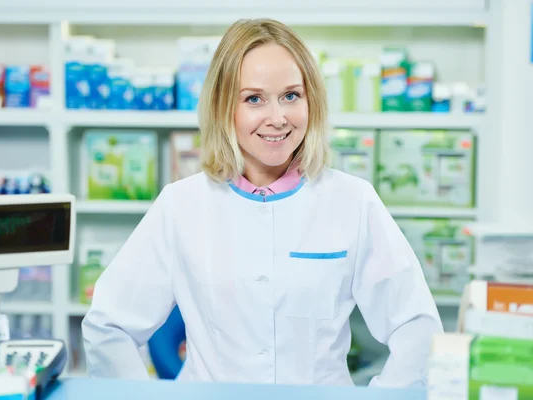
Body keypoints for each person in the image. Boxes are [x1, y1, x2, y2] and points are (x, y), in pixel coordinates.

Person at [82, 18, 443, 387]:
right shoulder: (181, 205)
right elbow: (109, 326)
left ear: (311, 101)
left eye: (291, 96)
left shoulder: (352, 201)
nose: (277, 118)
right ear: (224, 108)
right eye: (254, 98)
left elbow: (417, 327)